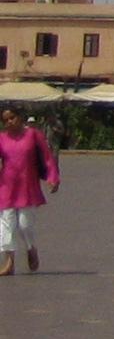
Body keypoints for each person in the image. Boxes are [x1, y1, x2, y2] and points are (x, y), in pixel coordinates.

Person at [0, 108, 60, 276]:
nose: (9, 122)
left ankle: (31, 247)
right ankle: (9, 261)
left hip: (27, 187)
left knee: (25, 224)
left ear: (20, 118)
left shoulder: (33, 135)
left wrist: (53, 177)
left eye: (12, 118)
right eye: (5, 120)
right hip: (6, 187)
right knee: (6, 224)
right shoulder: (2, 138)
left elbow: (47, 157)